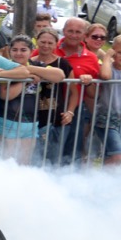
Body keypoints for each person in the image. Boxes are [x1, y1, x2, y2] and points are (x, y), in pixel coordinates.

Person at [0, 34, 65, 165]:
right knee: (6, 163)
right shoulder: (5, 66)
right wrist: (25, 81)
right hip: (8, 121)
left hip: (31, 124)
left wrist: (27, 69)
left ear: (30, 51)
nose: (18, 53)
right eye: (15, 50)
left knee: (25, 163)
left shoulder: (37, 65)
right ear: (9, 51)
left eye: (23, 50)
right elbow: (6, 96)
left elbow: (60, 75)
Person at [54, 18, 99, 165]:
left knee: (72, 151)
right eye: (70, 31)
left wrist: (89, 81)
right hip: (47, 106)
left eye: (78, 32)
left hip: (76, 110)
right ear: (64, 31)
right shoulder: (49, 47)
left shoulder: (91, 58)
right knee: (49, 148)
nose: (73, 35)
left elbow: (93, 94)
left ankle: (70, 182)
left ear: (84, 34)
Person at [30, 28, 77, 166]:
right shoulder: (30, 62)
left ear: (56, 43)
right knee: (34, 159)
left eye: (50, 43)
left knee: (53, 160)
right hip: (33, 117)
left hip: (56, 118)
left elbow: (74, 91)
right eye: (43, 41)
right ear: (37, 41)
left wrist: (70, 112)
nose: (46, 45)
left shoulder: (63, 64)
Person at [93, 34, 121, 166]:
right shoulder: (108, 66)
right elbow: (105, 75)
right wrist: (107, 57)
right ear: (113, 51)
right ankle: (100, 178)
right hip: (107, 118)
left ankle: (109, 183)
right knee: (119, 154)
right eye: (120, 52)